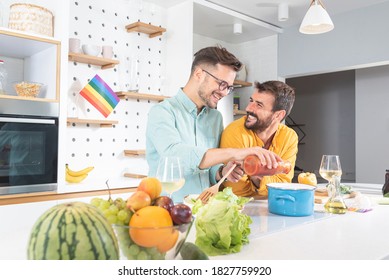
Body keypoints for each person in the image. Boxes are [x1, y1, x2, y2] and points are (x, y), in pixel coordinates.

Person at [146, 45, 281, 202]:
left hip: (204, 209)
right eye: (221, 84)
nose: (224, 92)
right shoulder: (162, 111)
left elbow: (208, 168)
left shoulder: (215, 118)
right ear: (199, 74)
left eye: (229, 88)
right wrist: (235, 152)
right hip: (167, 208)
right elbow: (173, 154)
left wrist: (222, 172)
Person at [220, 80, 298, 198]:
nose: (248, 108)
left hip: (273, 207)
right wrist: (268, 179)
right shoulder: (235, 132)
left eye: (259, 105)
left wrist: (256, 177)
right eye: (251, 101)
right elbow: (237, 191)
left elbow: (284, 184)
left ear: (278, 115)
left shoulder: (289, 137)